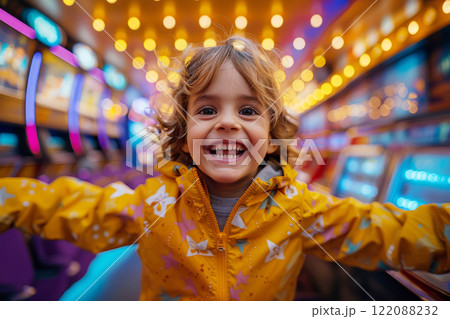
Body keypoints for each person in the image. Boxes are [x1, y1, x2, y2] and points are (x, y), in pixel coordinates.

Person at [0, 36, 449, 301]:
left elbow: (386, 231)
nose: (229, 121)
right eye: (208, 109)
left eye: (250, 110)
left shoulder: (300, 209)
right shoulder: (153, 205)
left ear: (274, 131)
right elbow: (70, 205)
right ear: (184, 130)